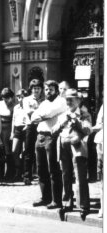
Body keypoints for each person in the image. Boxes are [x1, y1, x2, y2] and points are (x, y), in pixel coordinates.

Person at [30, 80, 67, 208]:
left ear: (56, 91)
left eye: (50, 89)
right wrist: (42, 116)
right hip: (40, 136)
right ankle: (45, 197)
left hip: (52, 137)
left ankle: (56, 200)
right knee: (41, 169)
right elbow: (33, 117)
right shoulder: (44, 103)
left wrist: (42, 116)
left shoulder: (61, 101)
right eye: (46, 90)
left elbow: (49, 113)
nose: (47, 92)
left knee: (53, 169)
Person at [56, 89, 92, 217]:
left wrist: (76, 122)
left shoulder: (84, 114)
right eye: (67, 99)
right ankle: (67, 203)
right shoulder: (63, 114)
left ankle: (83, 205)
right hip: (63, 144)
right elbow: (54, 130)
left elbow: (88, 130)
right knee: (65, 175)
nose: (69, 101)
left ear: (79, 100)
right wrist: (62, 123)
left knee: (80, 176)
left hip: (77, 146)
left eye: (71, 99)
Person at [22, 79, 44, 184]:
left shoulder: (44, 99)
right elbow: (28, 112)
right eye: (34, 88)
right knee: (28, 150)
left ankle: (41, 175)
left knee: (41, 150)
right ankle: (27, 175)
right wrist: (40, 112)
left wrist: (37, 112)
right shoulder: (26, 99)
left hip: (41, 126)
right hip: (31, 126)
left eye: (38, 88)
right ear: (31, 89)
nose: (36, 90)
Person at [0, 88, 15, 182]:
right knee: (0, 150)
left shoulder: (14, 105)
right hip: (0, 127)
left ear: (11, 97)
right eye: (3, 97)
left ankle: (9, 173)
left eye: (7, 97)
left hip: (9, 128)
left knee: (8, 151)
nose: (5, 100)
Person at [10, 89, 30, 182]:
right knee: (14, 151)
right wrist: (12, 132)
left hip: (26, 128)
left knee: (26, 152)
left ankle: (26, 173)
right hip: (17, 129)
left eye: (22, 97)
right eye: (18, 97)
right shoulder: (16, 107)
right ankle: (18, 170)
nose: (20, 99)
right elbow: (13, 120)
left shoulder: (28, 107)